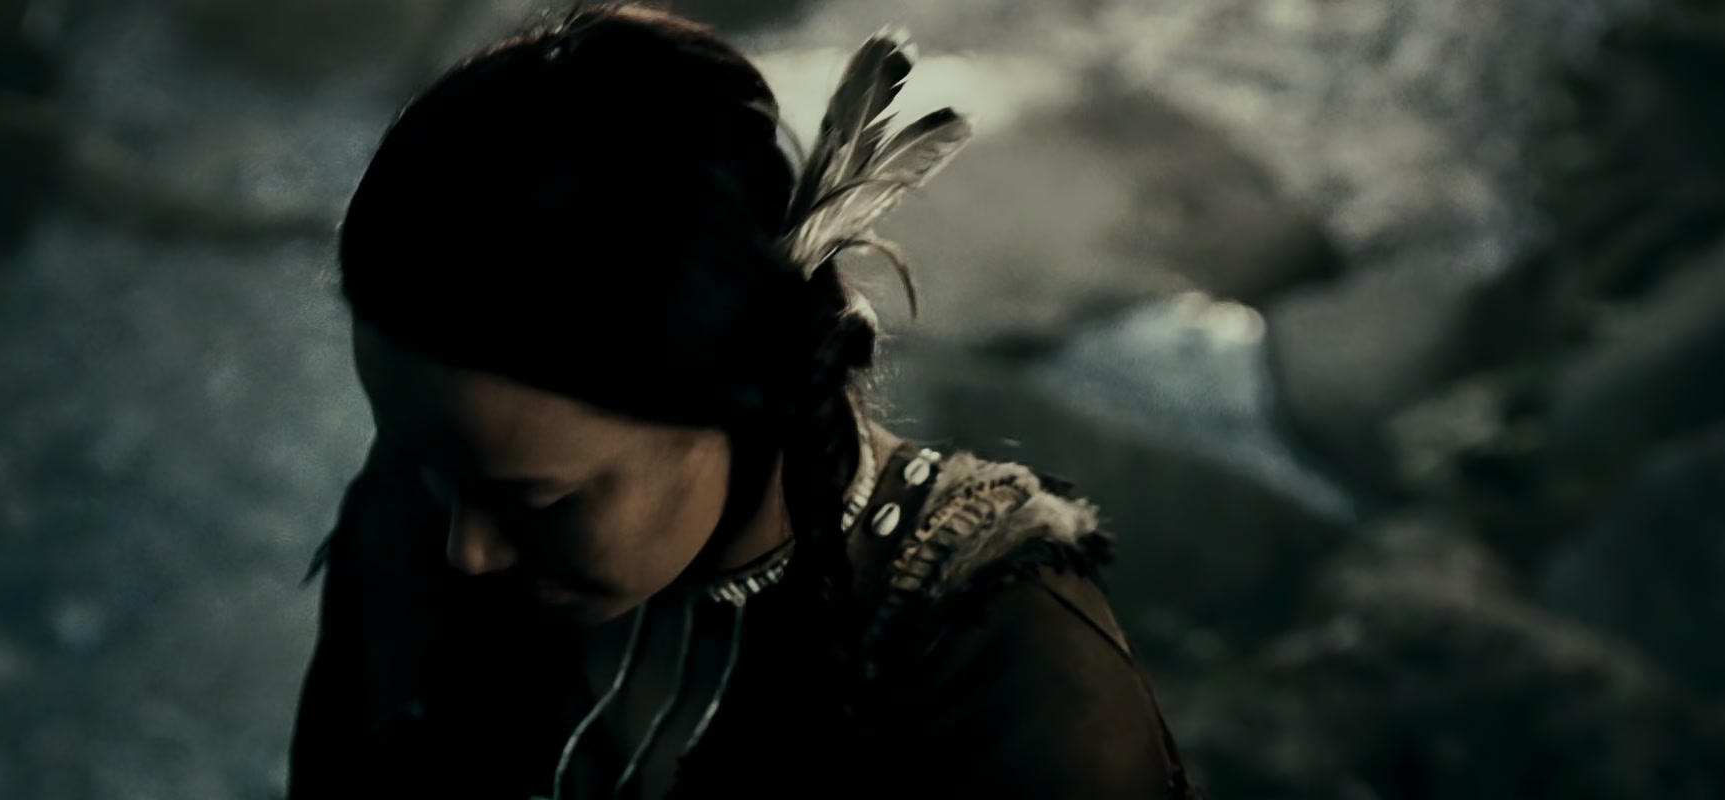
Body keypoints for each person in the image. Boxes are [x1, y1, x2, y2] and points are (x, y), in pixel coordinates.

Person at [288, 5, 1201, 798]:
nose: (468, 550)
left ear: (734, 395)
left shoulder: (1002, 662)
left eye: (538, 502)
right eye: (427, 468)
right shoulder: (424, 515)